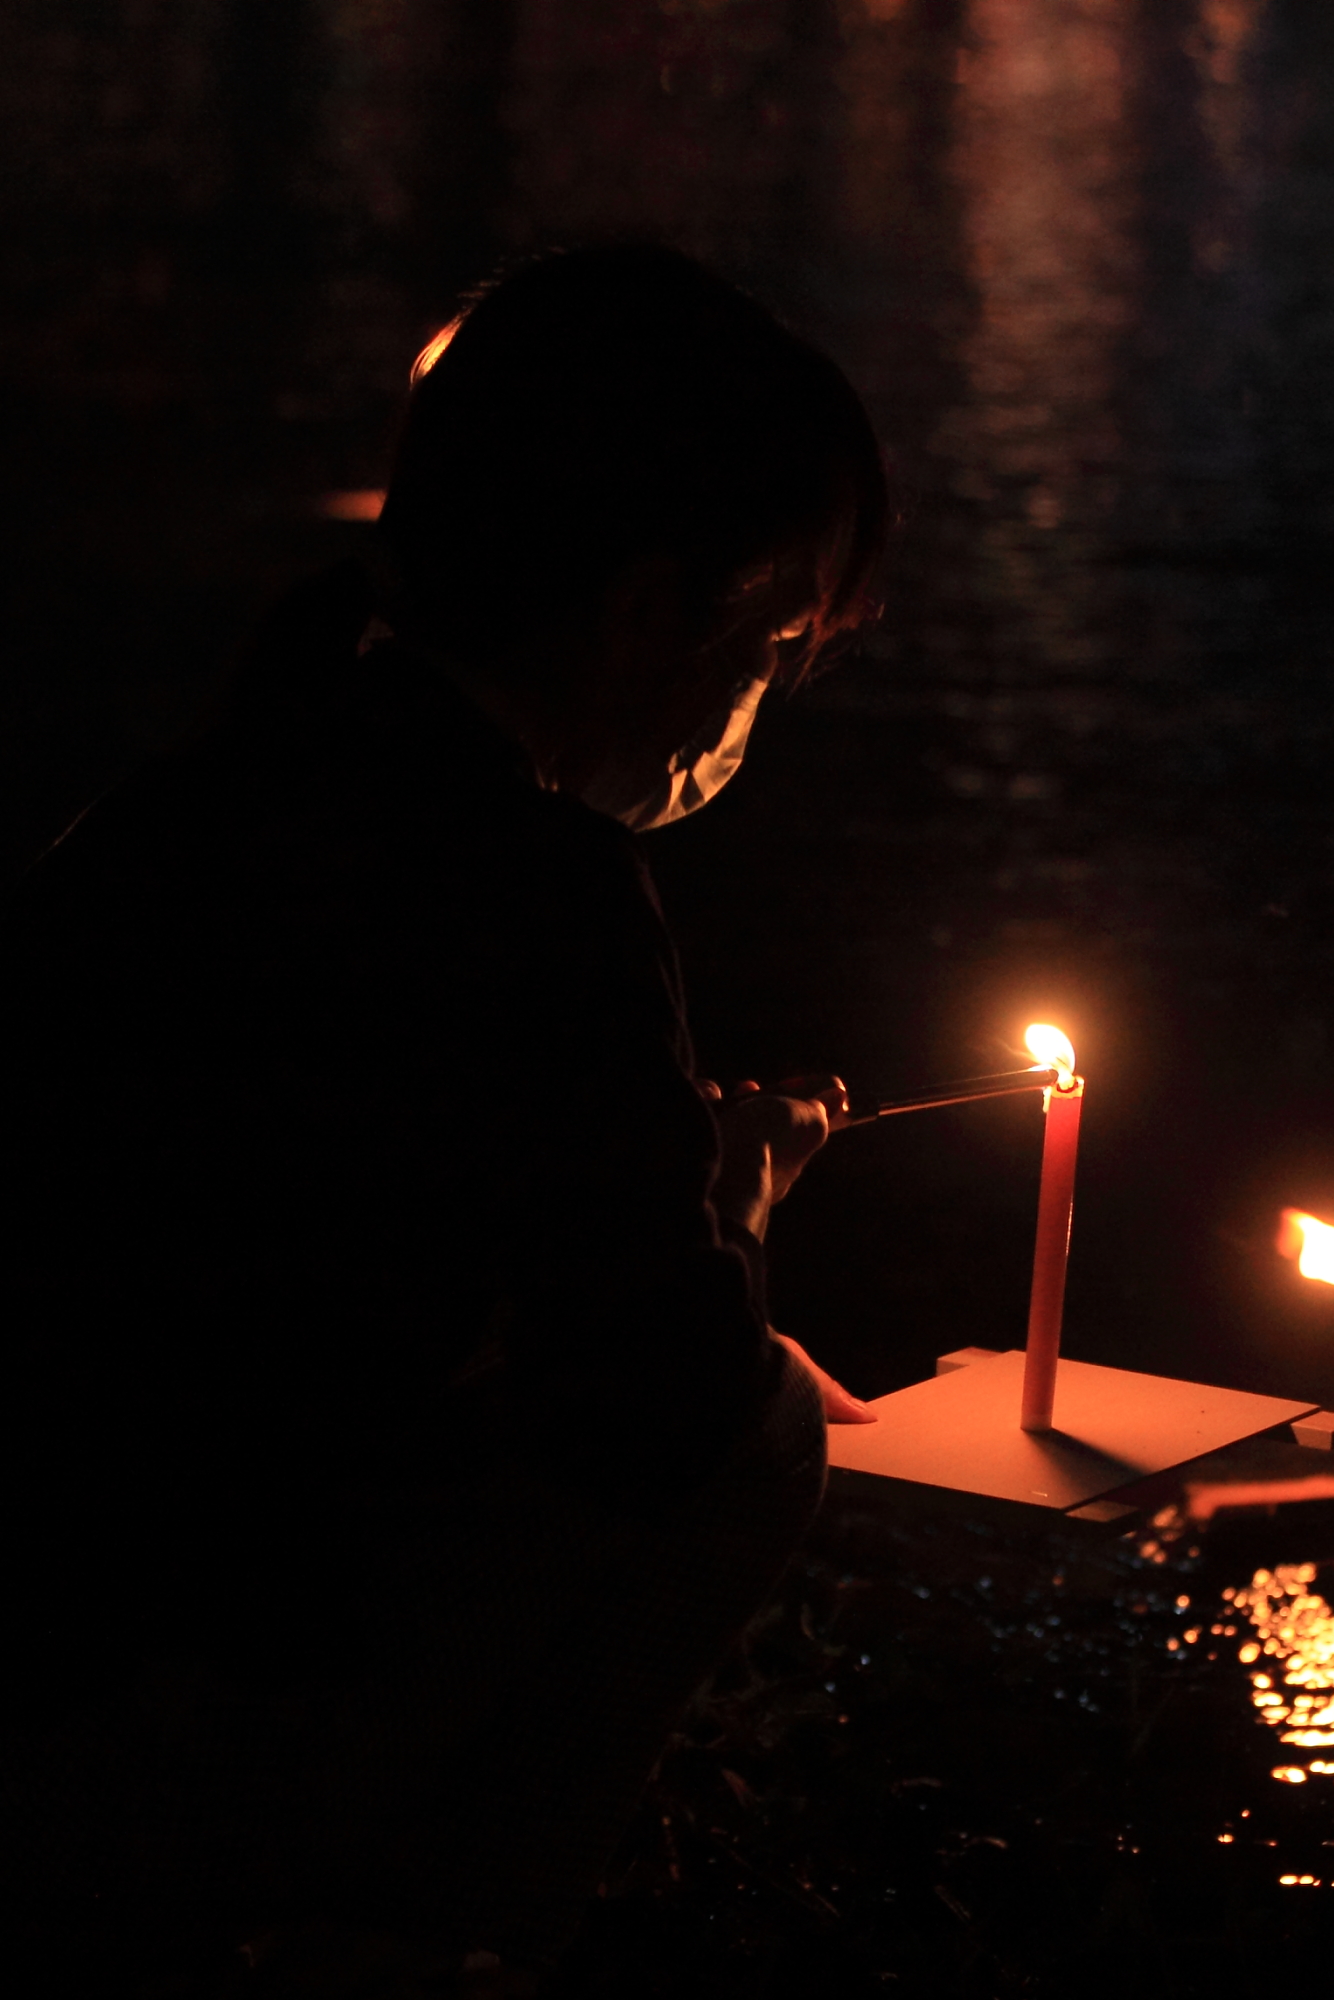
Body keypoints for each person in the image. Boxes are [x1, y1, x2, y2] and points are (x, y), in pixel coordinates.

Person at [1, 245, 889, 1989]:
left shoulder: (207, 789)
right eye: (769, 643)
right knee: (772, 1427)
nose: (757, 711)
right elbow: (662, 1404)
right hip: (170, 1692)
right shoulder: (535, 888)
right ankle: (434, 1927)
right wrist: (726, 1206)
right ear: (647, 617)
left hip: (55, 1582)